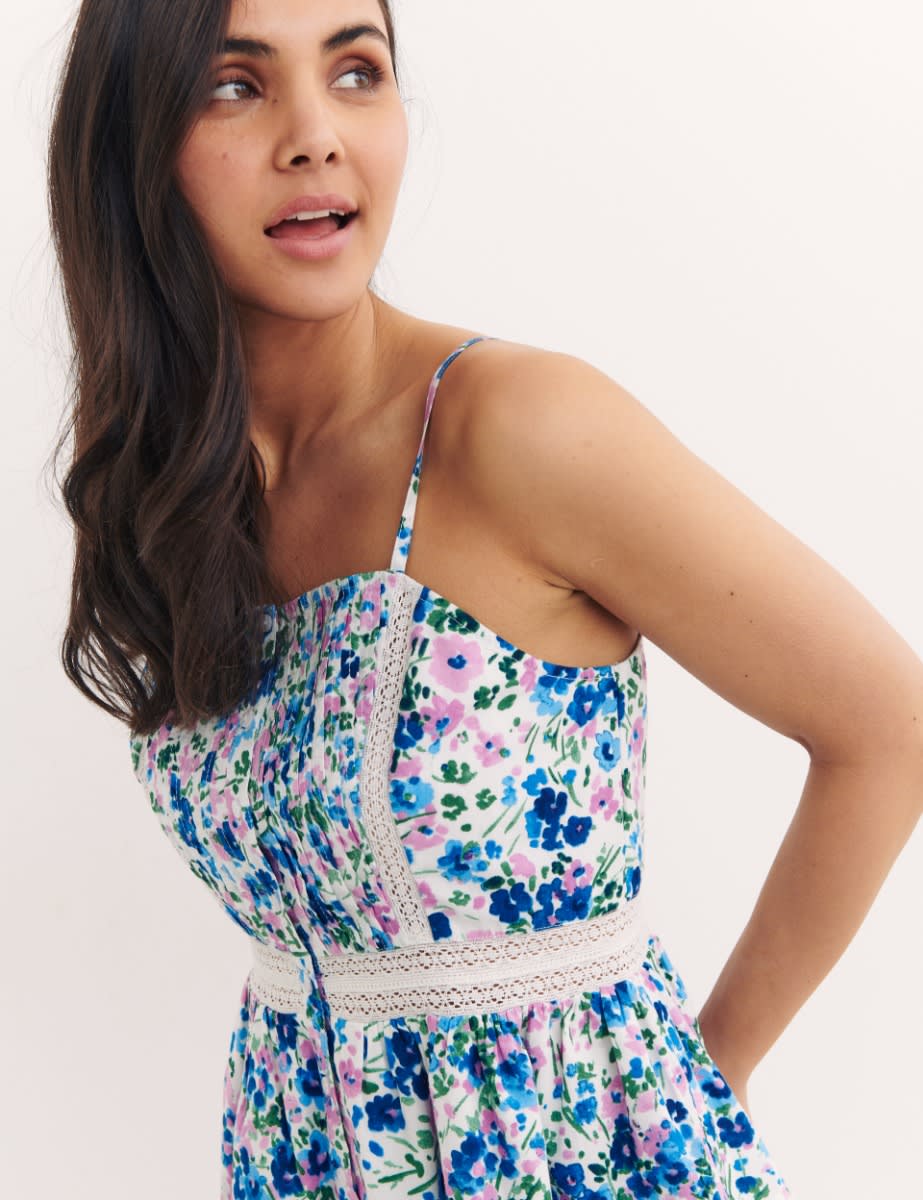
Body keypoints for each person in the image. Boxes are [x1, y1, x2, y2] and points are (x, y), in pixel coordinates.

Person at [46, 0, 922, 1197]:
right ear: (131, 142)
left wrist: (700, 1079)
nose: (315, 135)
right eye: (234, 86)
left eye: (356, 70)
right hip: (296, 1158)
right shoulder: (177, 490)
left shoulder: (513, 427)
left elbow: (888, 724)